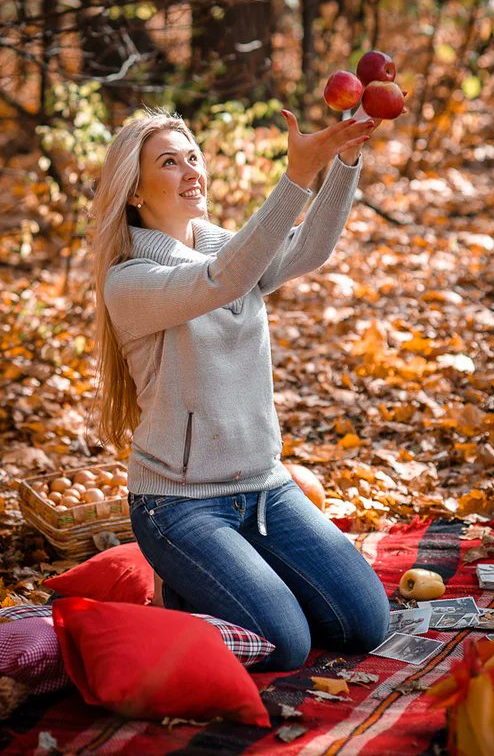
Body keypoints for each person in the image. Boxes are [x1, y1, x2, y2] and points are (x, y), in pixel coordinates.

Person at [91, 105, 390, 672]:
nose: (190, 170)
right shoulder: (130, 281)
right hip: (179, 506)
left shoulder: (223, 246)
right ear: (135, 191)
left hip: (266, 490)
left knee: (365, 623)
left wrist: (344, 158)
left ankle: (235, 576)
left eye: (193, 157)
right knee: (288, 644)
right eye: (169, 162)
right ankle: (181, 594)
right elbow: (221, 278)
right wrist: (296, 176)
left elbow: (307, 249)